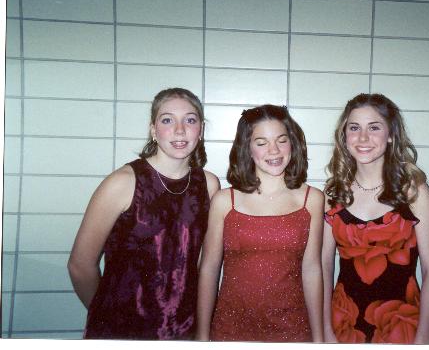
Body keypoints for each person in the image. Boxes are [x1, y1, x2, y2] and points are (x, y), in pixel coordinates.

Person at [68, 88, 220, 339]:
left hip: (182, 332)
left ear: (200, 130)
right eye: (167, 120)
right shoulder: (122, 183)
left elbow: (204, 265)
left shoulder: (209, 185)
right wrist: (107, 315)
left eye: (190, 120)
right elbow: (80, 266)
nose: (180, 130)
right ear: (153, 130)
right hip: (122, 333)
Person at [321, 93, 429, 344]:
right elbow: (323, 267)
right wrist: (325, 332)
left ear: (390, 135)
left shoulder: (414, 193)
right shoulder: (333, 193)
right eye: (354, 128)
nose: (363, 137)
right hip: (344, 326)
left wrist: (424, 339)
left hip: (402, 327)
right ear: (344, 136)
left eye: (374, 127)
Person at [196, 104, 324, 342]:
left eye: (281, 140)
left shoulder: (312, 200)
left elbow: (312, 269)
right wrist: (202, 337)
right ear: (247, 148)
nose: (274, 150)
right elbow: (209, 269)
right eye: (261, 142)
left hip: (292, 329)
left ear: (293, 143)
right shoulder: (224, 201)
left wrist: (318, 339)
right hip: (231, 330)